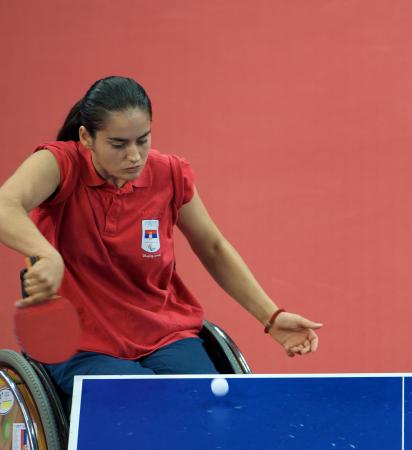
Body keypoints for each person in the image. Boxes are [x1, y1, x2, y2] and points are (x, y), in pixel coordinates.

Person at [0, 76, 322, 395]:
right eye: (118, 144)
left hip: (163, 334)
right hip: (82, 343)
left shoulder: (167, 173)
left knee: (207, 405)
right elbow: (5, 204)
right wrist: (45, 253)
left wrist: (272, 317)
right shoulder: (61, 164)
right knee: (141, 410)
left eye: (142, 139)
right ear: (86, 137)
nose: (134, 156)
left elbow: (213, 247)